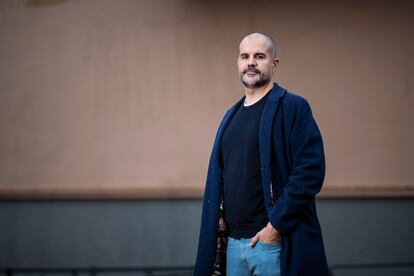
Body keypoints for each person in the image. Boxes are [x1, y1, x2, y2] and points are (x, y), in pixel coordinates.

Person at [193, 32, 329, 276]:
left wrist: (274, 227)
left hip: (273, 245)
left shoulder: (293, 107)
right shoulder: (230, 116)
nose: (251, 62)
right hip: (233, 247)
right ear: (238, 63)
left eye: (260, 56)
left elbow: (310, 172)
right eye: (245, 56)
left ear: (274, 64)